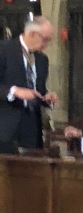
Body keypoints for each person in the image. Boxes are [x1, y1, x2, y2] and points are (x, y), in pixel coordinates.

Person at [0, 16, 57, 154]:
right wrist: (14, 91)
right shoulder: (4, 50)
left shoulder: (42, 60)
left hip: (32, 129)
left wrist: (47, 98)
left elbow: (39, 90)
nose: (47, 44)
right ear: (32, 34)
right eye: (45, 39)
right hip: (6, 128)